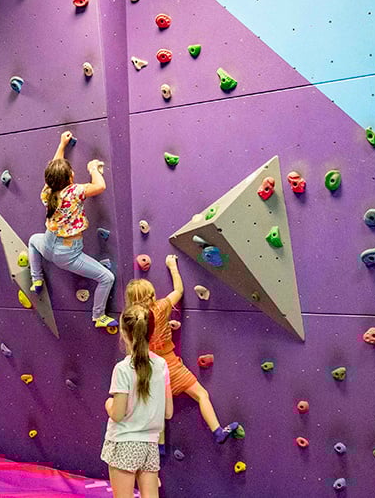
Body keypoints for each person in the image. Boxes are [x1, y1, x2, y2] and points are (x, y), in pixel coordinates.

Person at [125, 255, 233, 453]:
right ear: (150, 294)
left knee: (156, 408)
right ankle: (217, 430)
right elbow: (179, 291)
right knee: (201, 395)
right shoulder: (160, 307)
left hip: (148, 367)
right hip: (171, 364)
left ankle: (160, 446)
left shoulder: (130, 318)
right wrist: (172, 265)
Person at [29, 130, 118, 328]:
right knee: (106, 277)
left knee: (32, 241)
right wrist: (93, 168)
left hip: (48, 243)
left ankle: (36, 278)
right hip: (67, 254)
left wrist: (61, 145)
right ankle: (98, 316)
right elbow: (100, 186)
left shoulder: (47, 192)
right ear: (70, 178)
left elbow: (54, 169)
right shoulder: (75, 192)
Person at [102, 305, 172, 498]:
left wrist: (108, 404)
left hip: (124, 442)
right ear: (150, 331)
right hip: (150, 445)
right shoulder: (161, 365)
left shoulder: (123, 368)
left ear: (124, 333)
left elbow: (117, 414)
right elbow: (168, 412)